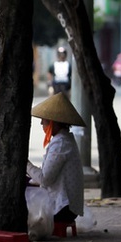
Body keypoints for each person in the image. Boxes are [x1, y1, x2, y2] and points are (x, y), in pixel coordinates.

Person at [26, 93, 85, 225]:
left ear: (54, 122)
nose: (41, 123)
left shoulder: (61, 144)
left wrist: (26, 165)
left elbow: (45, 179)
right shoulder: (63, 140)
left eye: (44, 120)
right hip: (66, 206)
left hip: (63, 208)